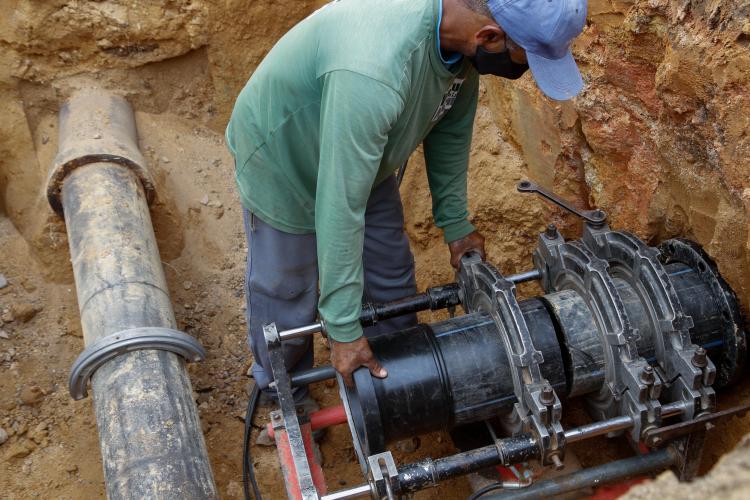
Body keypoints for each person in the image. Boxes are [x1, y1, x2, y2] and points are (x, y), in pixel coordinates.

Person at [225, 0, 587, 421]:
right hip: (285, 159)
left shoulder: (458, 45)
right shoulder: (375, 70)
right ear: (488, 37)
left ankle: (395, 383)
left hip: (364, 153)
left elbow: (449, 128)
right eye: (523, 60)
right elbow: (339, 204)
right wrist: (342, 330)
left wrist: (455, 223)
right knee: (287, 291)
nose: (519, 69)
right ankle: (286, 395)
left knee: (391, 276)